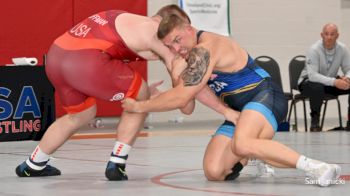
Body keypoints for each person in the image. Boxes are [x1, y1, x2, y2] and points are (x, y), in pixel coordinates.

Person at [15, 5, 238, 181]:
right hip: (84, 60)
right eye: (177, 38)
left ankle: (33, 164)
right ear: (166, 24)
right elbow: (186, 104)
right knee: (140, 96)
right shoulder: (159, 37)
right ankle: (117, 163)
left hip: (56, 57)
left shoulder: (131, 20)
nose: (178, 45)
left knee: (80, 115)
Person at [121, 14, 341, 186]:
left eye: (178, 41)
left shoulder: (206, 48)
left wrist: (140, 106)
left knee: (242, 143)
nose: (177, 49)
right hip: (239, 111)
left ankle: (318, 167)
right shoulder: (187, 57)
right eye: (170, 47)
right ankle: (256, 153)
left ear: (189, 29)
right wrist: (173, 70)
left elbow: (181, 97)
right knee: (214, 171)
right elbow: (187, 107)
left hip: (265, 96)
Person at [298, 23, 350, 132]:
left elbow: (348, 68)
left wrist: (347, 78)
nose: (329, 37)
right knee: (317, 87)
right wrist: (335, 82)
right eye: (326, 34)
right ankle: (315, 123)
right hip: (308, 82)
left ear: (337, 35)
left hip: (329, 83)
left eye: (332, 34)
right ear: (322, 35)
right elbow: (313, 76)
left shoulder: (342, 49)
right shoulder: (314, 49)